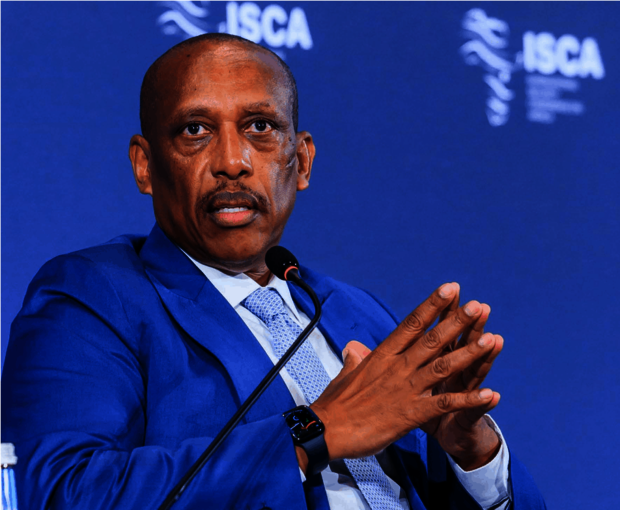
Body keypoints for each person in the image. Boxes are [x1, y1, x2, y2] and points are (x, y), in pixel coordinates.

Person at [0, 34, 546, 510]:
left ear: (300, 160)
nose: (232, 161)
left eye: (260, 126)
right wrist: (315, 432)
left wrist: (471, 454)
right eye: (195, 130)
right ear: (146, 165)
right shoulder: (94, 296)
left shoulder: (355, 312)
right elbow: (58, 492)